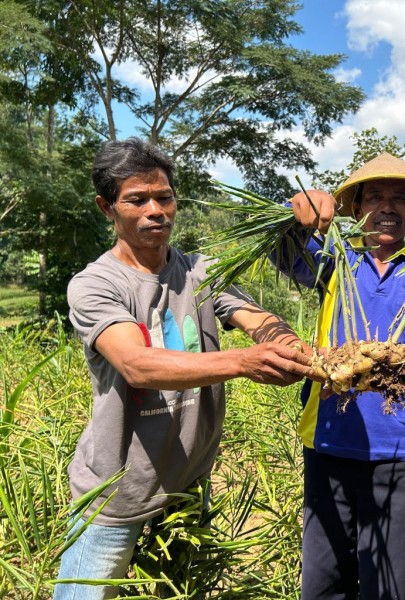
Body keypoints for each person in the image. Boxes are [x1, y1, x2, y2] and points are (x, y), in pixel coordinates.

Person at [54, 138, 317, 600]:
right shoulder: (96, 284)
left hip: (189, 484)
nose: (156, 210)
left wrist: (289, 345)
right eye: (137, 199)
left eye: (165, 197)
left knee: (177, 592)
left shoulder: (201, 271)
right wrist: (243, 362)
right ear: (107, 208)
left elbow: (258, 320)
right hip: (119, 493)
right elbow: (137, 365)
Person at [274, 153, 405, 600]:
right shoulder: (334, 262)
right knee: (323, 582)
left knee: (388, 586)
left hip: (400, 452)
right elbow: (282, 249)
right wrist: (299, 210)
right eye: (376, 197)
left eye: (400, 199)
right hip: (328, 444)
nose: (387, 207)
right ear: (356, 208)